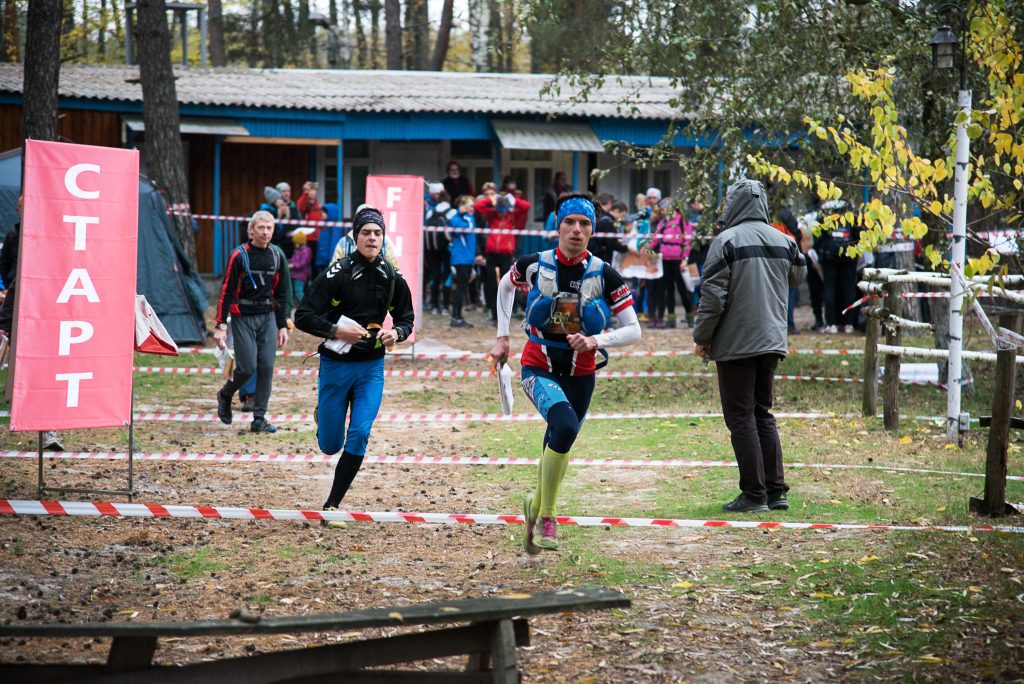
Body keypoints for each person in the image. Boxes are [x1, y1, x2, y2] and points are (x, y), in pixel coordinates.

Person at [490, 192, 641, 553]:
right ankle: (548, 518)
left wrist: (597, 339)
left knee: (559, 437)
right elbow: (505, 285)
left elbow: (634, 329)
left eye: (585, 224)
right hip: (538, 366)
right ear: (557, 226)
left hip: (582, 373)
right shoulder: (534, 264)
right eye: (570, 222)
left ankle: (535, 508)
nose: (576, 230)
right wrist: (502, 337)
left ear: (592, 230)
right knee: (565, 426)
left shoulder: (604, 274)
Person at [294, 206, 415, 520]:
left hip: (371, 368)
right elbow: (303, 316)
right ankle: (323, 415)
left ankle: (332, 503)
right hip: (336, 365)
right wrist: (336, 330)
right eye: (366, 233)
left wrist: (396, 333)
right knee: (330, 445)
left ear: (383, 238)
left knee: (360, 433)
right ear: (355, 236)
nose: (372, 238)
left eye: (377, 233)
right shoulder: (339, 272)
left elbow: (406, 318)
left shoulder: (392, 277)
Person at [693, 180, 806, 513]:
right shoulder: (785, 240)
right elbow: (798, 277)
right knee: (762, 414)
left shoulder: (724, 242)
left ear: (732, 204)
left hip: (735, 343)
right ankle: (776, 491)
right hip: (773, 340)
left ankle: (754, 494)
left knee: (741, 417)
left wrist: (702, 337)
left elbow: (712, 299)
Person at [214, 210, 292, 434]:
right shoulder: (239, 256)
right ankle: (226, 393)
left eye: (269, 228)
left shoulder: (277, 256)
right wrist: (221, 325)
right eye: (261, 228)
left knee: (266, 366)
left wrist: (282, 324)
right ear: (251, 231)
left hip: (267, 316)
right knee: (247, 367)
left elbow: (283, 293)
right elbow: (226, 291)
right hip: (243, 317)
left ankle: (259, 418)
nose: (265, 232)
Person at [0, 196, 63, 451]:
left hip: (46, 315)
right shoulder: (14, 236)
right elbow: (5, 269)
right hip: (18, 312)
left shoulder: (52, 238)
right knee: (20, 377)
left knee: (45, 374)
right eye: (20, 208)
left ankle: (48, 431)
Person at [475, 190, 531, 324]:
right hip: (491, 255)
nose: (502, 212)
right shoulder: (492, 215)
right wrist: (491, 198)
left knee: (506, 285)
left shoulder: (512, 216)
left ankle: (506, 313)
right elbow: (478, 206)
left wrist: (513, 199)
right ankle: (495, 315)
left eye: (504, 209)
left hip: (506, 255)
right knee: (492, 285)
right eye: (500, 209)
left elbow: (526, 206)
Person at [650, 199, 695, 328]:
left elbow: (687, 241)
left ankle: (689, 316)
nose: (662, 212)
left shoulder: (682, 220)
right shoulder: (663, 222)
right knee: (668, 289)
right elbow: (655, 239)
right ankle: (671, 317)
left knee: (682, 289)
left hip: (679, 260)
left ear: (671, 208)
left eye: (664, 209)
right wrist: (644, 250)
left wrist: (685, 259)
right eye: (661, 209)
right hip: (665, 260)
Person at [446, 195, 478, 328]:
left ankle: (457, 316)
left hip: (467, 258)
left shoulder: (467, 217)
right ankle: (456, 318)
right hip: (461, 258)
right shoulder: (460, 218)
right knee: (460, 288)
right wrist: (462, 213)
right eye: (469, 205)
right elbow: (460, 227)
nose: (472, 208)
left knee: (462, 288)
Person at [424, 193, 454, 315]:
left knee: (435, 276)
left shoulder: (431, 212)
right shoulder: (452, 212)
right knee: (447, 276)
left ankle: (434, 306)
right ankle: (445, 307)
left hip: (431, 248)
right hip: (446, 248)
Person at [289, 230, 312, 305]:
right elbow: (293, 259)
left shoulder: (306, 251)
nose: (295, 244)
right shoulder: (297, 250)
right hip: (294, 274)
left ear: (301, 242)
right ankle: (298, 304)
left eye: (296, 243)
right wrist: (288, 261)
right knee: (294, 290)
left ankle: (306, 305)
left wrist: (293, 265)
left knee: (299, 291)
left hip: (300, 276)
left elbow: (303, 263)